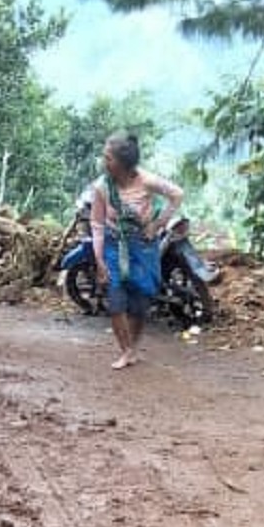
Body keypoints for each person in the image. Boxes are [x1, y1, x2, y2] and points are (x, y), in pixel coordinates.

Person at [90, 131, 184, 369]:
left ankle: (132, 348)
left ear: (122, 164)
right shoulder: (101, 187)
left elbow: (177, 194)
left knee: (141, 301)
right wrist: (99, 258)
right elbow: (97, 224)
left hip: (143, 248)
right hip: (113, 246)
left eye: (108, 158)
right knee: (115, 300)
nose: (104, 162)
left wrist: (157, 224)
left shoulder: (146, 181)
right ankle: (125, 350)